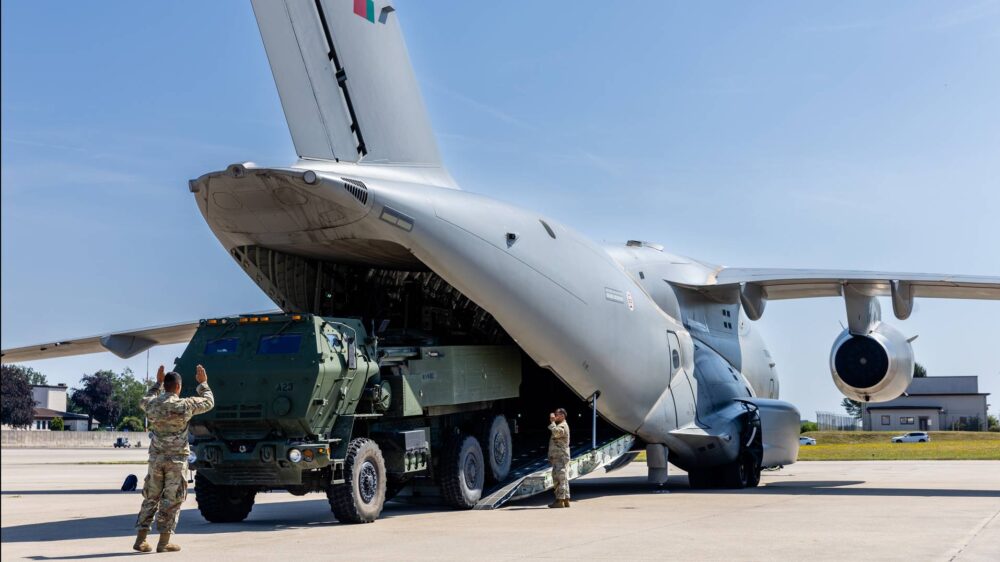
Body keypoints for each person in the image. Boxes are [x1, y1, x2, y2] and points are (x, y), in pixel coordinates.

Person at [132, 364, 214, 553]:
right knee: (172, 499)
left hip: (156, 460)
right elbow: (209, 402)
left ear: (166, 385)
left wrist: (157, 384)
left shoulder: (153, 405)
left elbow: (144, 400)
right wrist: (203, 384)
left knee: (151, 497)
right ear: (178, 387)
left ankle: (141, 539)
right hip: (176, 461)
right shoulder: (185, 405)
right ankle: (164, 542)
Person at [547, 408, 571, 508]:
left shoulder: (562, 426)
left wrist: (552, 422)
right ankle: (565, 499)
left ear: (562, 416)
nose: (555, 416)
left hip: (560, 457)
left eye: (557, 414)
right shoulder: (562, 425)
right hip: (559, 456)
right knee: (563, 478)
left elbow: (556, 433)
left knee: (558, 478)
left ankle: (559, 501)